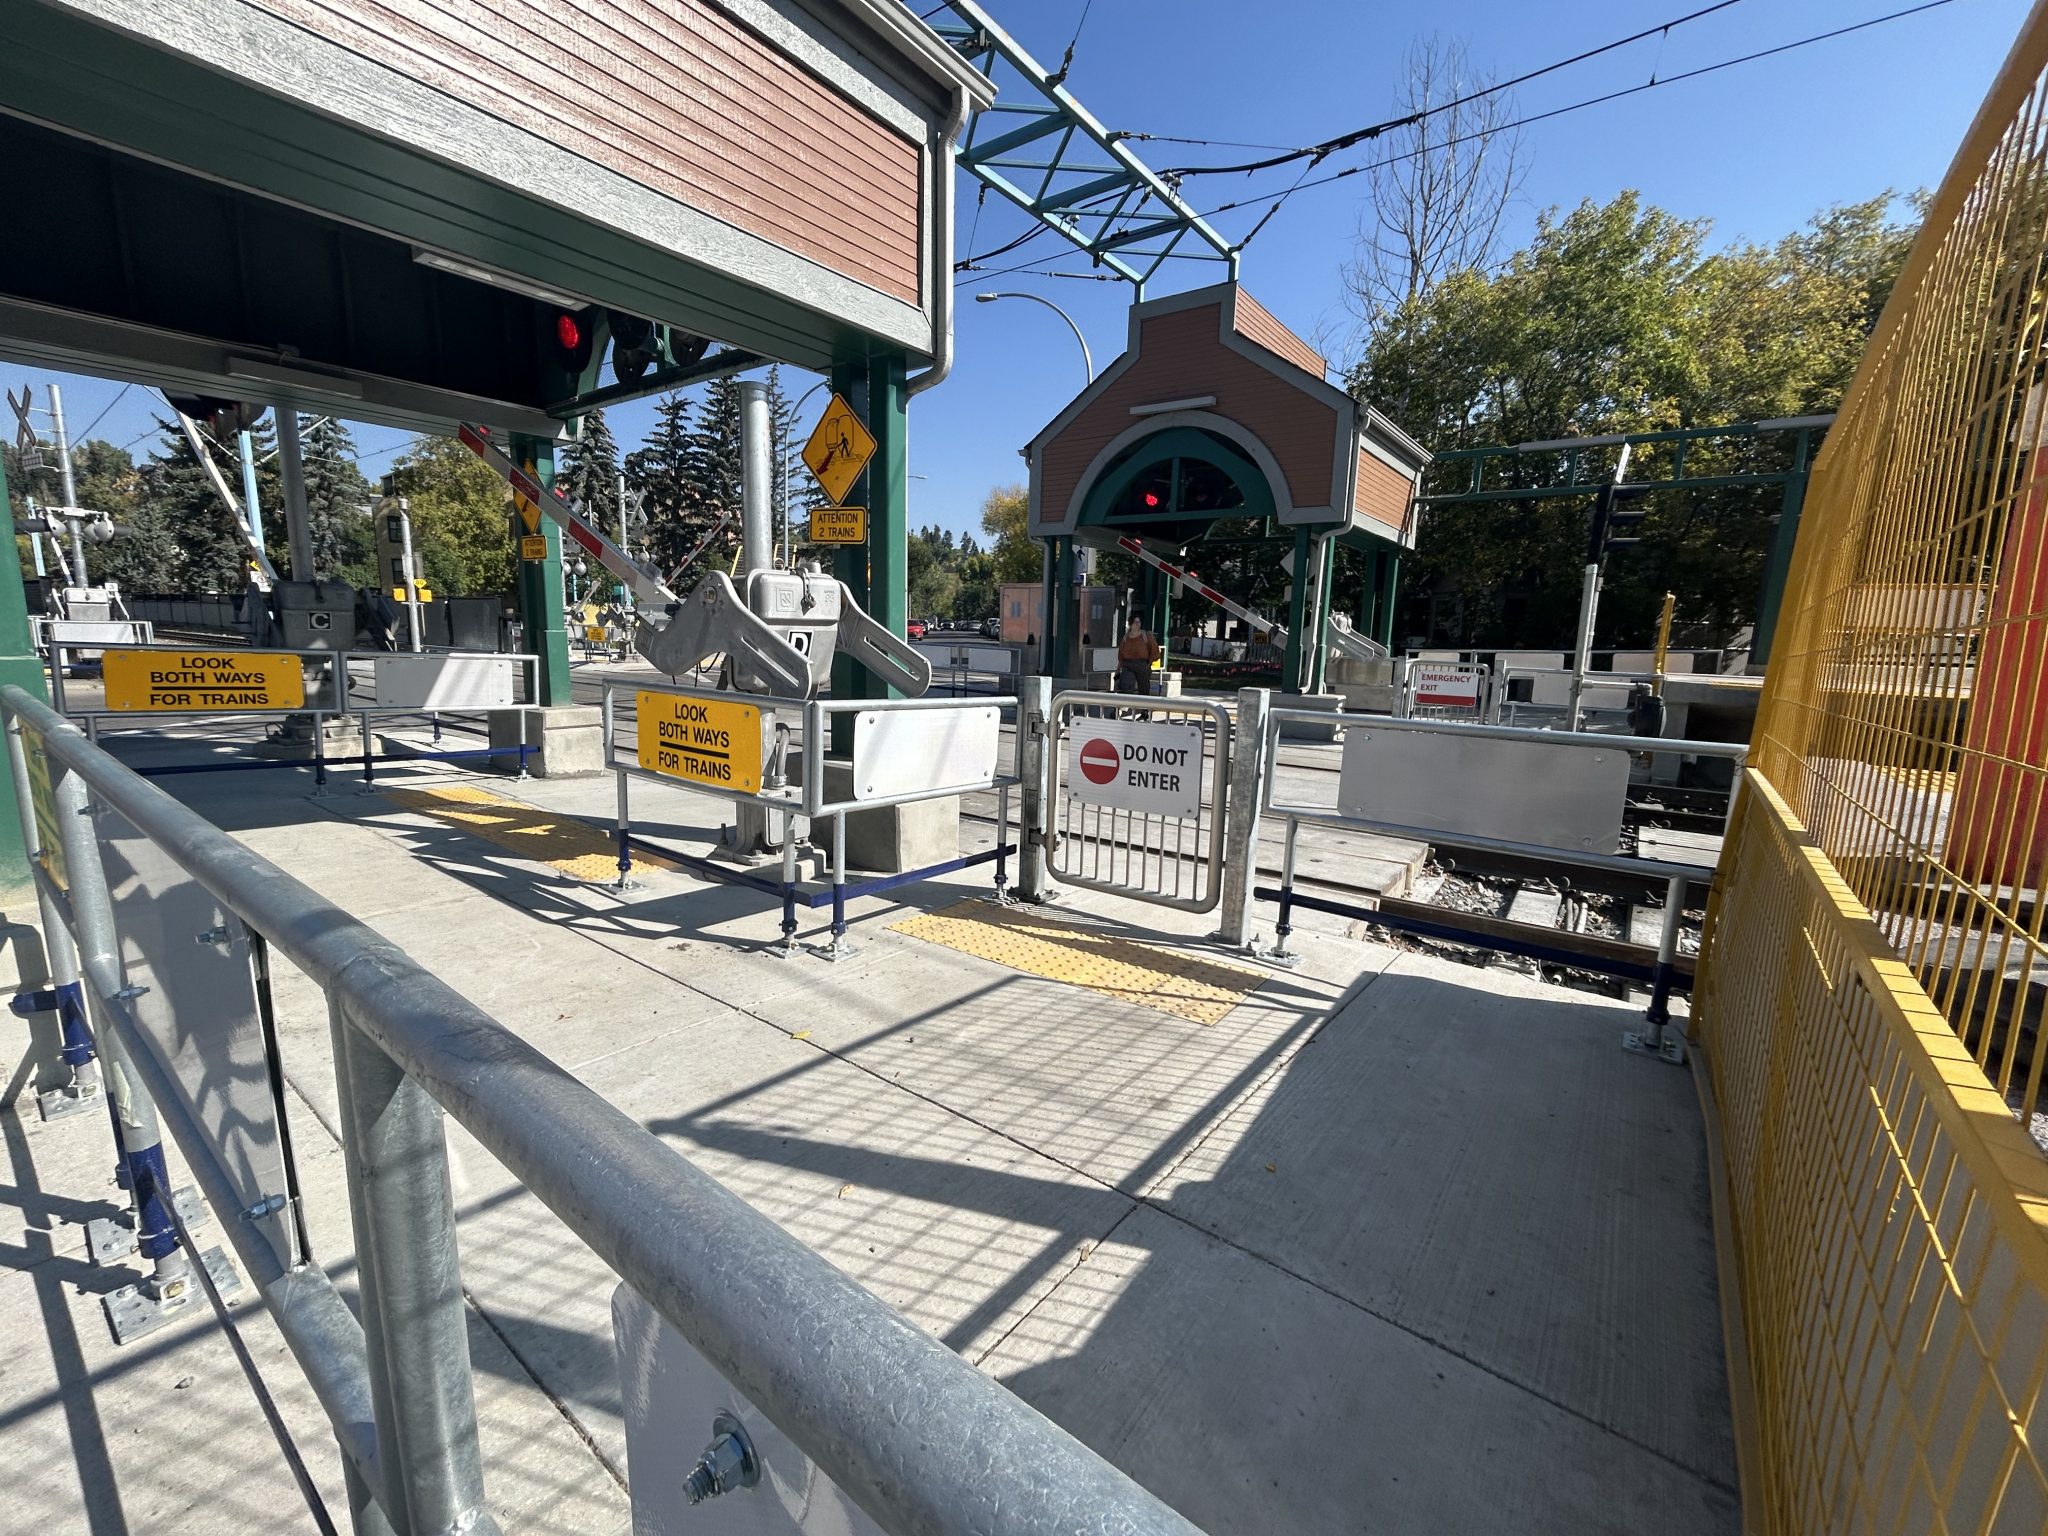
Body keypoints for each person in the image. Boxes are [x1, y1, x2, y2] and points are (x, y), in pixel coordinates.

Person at [1116, 615, 1160, 695]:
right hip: (1128, 665)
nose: (1137, 624)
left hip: (1142, 664)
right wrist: (1118, 669)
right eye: (1135, 622)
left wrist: (1148, 663)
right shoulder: (1126, 637)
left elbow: (1154, 650)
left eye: (1138, 622)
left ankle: (1144, 706)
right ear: (1130, 624)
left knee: (1144, 689)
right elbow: (1121, 654)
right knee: (1126, 688)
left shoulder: (1146, 635)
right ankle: (1126, 706)